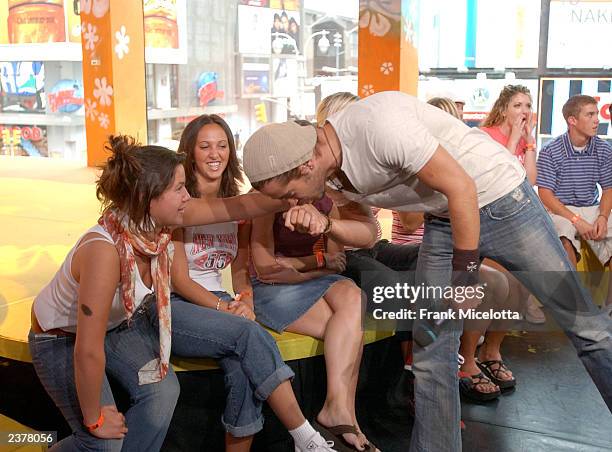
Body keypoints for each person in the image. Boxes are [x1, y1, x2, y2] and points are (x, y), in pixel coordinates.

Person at [241, 91, 612, 452]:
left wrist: (464, 279)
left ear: (307, 164)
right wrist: (324, 224)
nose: (293, 203)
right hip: (445, 216)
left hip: (502, 201)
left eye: (290, 195)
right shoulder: (327, 170)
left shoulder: (379, 127)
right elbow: (369, 232)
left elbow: (462, 187)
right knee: (432, 346)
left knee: (585, 327)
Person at [170, 115, 338, 452]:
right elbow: (178, 279)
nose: (215, 154)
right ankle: (305, 437)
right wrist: (224, 308)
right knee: (250, 334)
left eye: (222, 146)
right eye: (205, 146)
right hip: (174, 301)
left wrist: (244, 298)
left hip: (217, 299)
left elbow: (240, 267)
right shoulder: (178, 202)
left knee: (242, 366)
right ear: (190, 152)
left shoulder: (239, 203)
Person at [29, 136, 184, 451]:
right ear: (146, 197)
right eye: (179, 188)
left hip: (114, 328)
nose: (189, 197)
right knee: (104, 445)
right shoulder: (104, 251)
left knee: (163, 393)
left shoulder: (157, 228)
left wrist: (288, 197)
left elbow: (229, 206)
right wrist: (95, 419)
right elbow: (86, 349)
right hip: (61, 339)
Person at [250, 180, 377, 451]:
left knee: (354, 297)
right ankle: (347, 422)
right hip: (271, 289)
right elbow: (265, 267)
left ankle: (340, 411)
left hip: (311, 281)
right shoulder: (265, 198)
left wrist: (301, 267)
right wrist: (313, 263)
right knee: (351, 326)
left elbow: (337, 263)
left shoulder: (324, 202)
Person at [537, 94, 612, 306]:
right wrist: (576, 219)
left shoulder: (604, 149)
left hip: (592, 207)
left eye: (597, 113)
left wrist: (603, 217)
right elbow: (546, 195)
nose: (597, 119)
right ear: (572, 120)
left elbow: (608, 189)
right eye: (590, 114)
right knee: (563, 233)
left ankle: (609, 309)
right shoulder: (551, 151)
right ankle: (576, 304)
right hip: (561, 209)